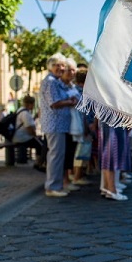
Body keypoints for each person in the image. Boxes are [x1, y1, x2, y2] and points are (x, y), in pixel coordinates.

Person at [40, 53, 77, 197]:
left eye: (63, 65)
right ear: (51, 67)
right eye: (58, 65)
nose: (61, 68)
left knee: (58, 155)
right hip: (54, 124)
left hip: (59, 124)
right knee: (55, 156)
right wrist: (70, 102)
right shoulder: (50, 81)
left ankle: (57, 185)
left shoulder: (54, 81)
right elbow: (54, 103)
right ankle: (52, 187)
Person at [12, 95, 46, 171]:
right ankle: (39, 163)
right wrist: (35, 135)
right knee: (41, 145)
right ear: (29, 104)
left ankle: (39, 162)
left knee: (40, 142)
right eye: (33, 104)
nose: (33, 106)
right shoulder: (25, 113)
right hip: (22, 137)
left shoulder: (20, 110)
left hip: (18, 136)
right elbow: (29, 128)